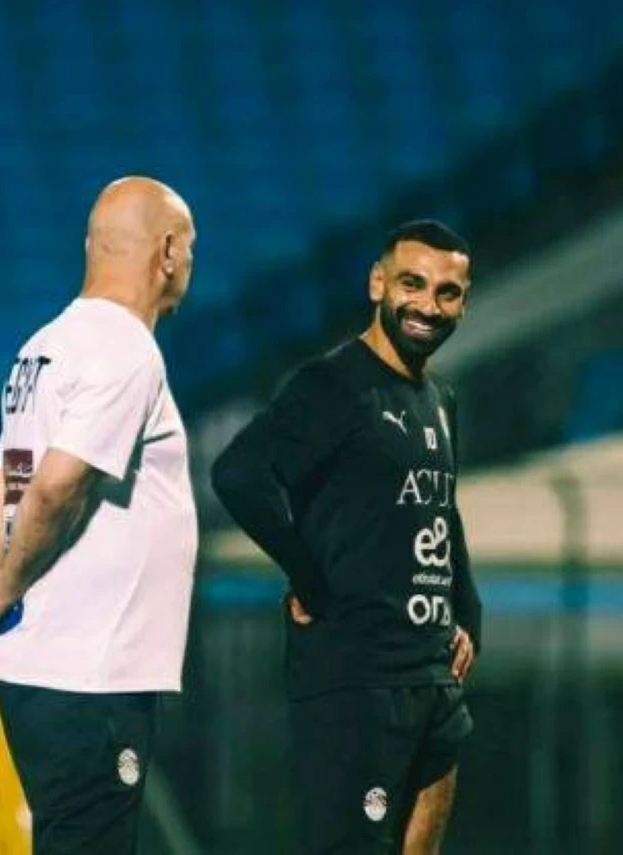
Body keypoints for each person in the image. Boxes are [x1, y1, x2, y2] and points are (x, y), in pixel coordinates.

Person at [0, 176, 199, 854]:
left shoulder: (43, 347)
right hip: (90, 670)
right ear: (168, 252)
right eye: (191, 248)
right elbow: (57, 484)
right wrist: (9, 582)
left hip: (39, 662)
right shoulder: (126, 348)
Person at [211, 221, 482, 854]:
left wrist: (468, 612)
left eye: (446, 292)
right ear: (377, 283)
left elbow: (440, 509)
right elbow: (240, 474)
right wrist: (309, 579)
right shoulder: (333, 385)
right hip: (357, 680)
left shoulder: (441, 397)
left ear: (464, 303)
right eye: (412, 284)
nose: (428, 305)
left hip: (431, 677)